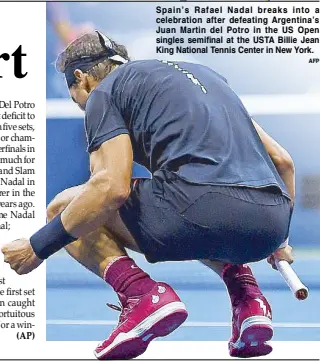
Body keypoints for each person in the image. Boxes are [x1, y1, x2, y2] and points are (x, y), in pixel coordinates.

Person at [1, 31, 295, 360]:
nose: (83, 107)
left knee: (64, 208)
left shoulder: (104, 93)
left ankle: (140, 294)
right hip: (270, 222)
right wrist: (279, 240)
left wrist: (36, 247)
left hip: (199, 209)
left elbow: (110, 188)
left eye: (76, 98)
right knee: (193, 202)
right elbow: (283, 161)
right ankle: (249, 298)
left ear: (82, 79)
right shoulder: (207, 78)